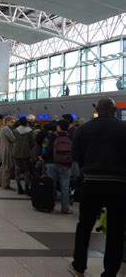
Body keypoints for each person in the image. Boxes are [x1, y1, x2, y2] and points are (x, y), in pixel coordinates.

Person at [69, 98, 126, 277]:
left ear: (97, 109)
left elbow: (76, 156)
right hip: (119, 185)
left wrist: (83, 175)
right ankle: (110, 271)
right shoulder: (124, 129)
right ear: (114, 109)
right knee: (116, 229)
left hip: (91, 182)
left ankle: (79, 263)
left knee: (84, 225)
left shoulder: (83, 129)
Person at [41, 119, 73, 214]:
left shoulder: (52, 136)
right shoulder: (70, 137)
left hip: (52, 163)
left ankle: (49, 206)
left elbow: (46, 149)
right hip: (66, 165)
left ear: (58, 126)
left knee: (51, 186)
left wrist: (43, 157)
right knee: (65, 187)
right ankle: (65, 208)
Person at [12, 117, 34, 195]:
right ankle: (27, 188)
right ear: (26, 122)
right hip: (26, 153)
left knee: (17, 170)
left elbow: (14, 140)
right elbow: (32, 143)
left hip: (16, 152)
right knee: (26, 171)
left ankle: (19, 187)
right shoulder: (30, 131)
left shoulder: (16, 130)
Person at [0, 116, 16, 190]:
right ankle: (5, 185)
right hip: (7, 149)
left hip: (4, 148)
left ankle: (1, 182)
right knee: (7, 167)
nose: (12, 123)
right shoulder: (6, 129)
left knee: (3, 167)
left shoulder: (3, 128)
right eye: (11, 121)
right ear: (7, 121)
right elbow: (13, 139)